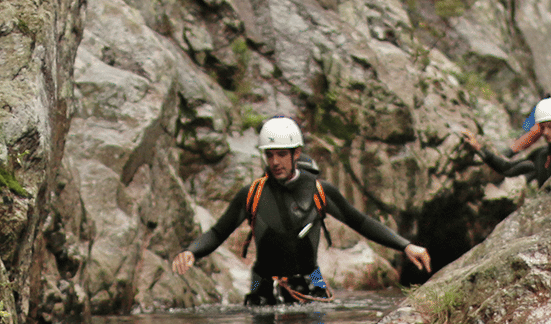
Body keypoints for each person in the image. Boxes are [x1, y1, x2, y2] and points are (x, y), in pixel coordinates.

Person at [173, 117, 432, 305]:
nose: (274, 162)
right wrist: (191, 251)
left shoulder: (320, 191)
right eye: (269, 155)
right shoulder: (252, 194)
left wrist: (405, 246)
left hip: (311, 279)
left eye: (281, 155)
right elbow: (219, 232)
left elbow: (361, 222)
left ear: (296, 153)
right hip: (261, 281)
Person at [463, 97, 551, 187]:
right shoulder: (540, 157)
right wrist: (479, 148)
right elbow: (507, 168)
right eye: (543, 128)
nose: (545, 133)